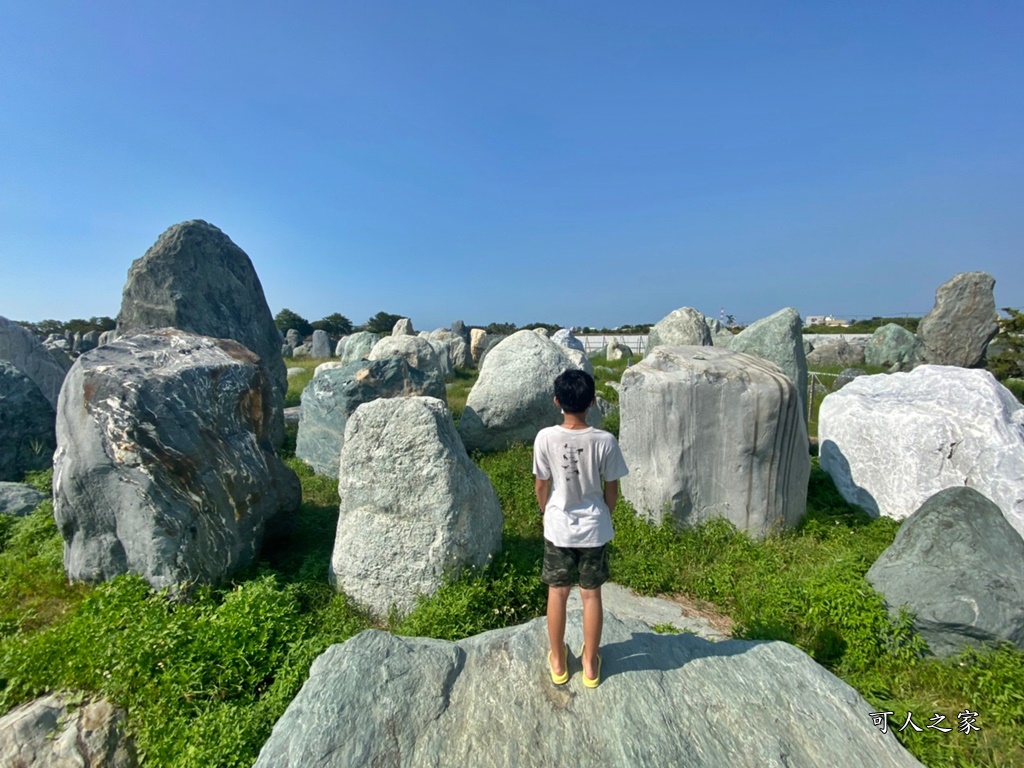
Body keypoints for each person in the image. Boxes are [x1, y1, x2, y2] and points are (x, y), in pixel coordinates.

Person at [533, 369, 628, 688]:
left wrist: (546, 512)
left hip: (558, 527)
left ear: (556, 401)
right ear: (591, 401)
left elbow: (541, 484)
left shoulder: (545, 437)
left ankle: (558, 661)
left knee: (557, 593)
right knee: (591, 596)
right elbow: (611, 488)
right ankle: (590, 665)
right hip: (594, 529)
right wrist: (605, 514)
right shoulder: (605, 440)